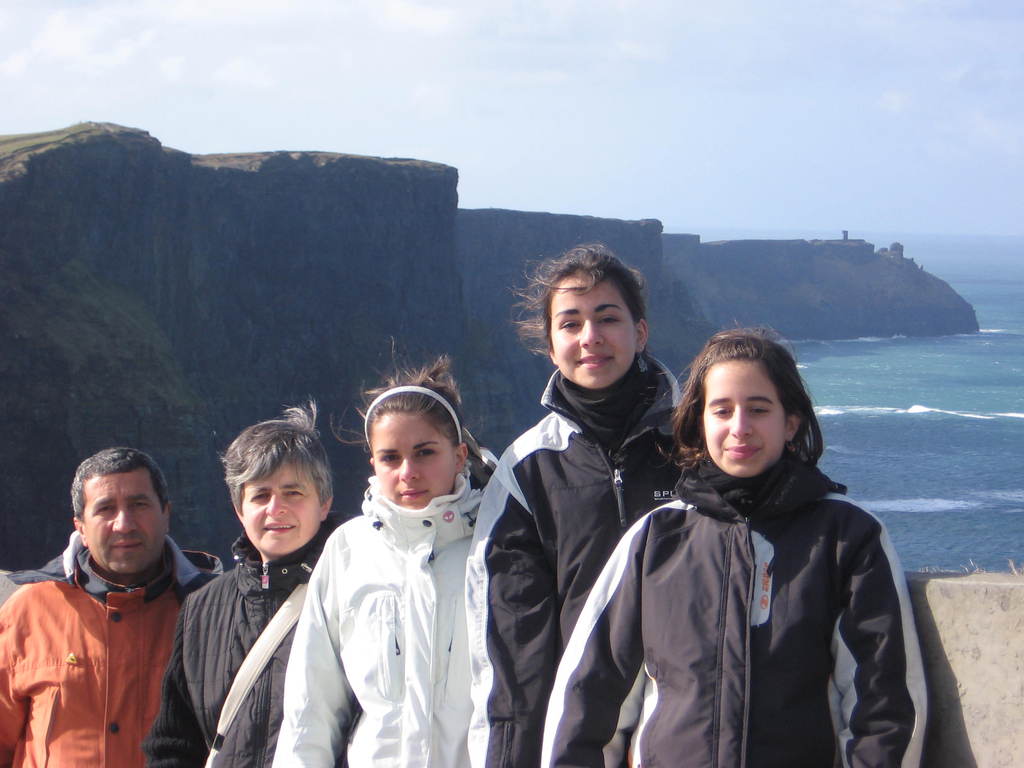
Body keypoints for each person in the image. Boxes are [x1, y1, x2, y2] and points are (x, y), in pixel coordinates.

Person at [542, 328, 928, 768]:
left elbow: (883, 705)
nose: (739, 428)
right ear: (699, 423)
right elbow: (590, 697)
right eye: (721, 410)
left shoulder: (846, 537)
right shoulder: (655, 539)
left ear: (791, 423)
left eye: (758, 409)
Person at [466, 244, 680, 768]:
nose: (590, 338)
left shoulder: (697, 448)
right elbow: (512, 651)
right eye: (570, 323)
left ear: (641, 332)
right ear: (550, 343)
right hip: (582, 736)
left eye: (608, 318)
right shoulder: (528, 471)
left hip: (687, 726)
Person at [274, 356, 493, 767]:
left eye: (425, 452)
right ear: (373, 463)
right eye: (390, 457)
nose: (407, 471)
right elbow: (311, 704)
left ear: (460, 456)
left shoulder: (495, 545)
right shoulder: (348, 550)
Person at [144, 402, 347, 767]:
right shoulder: (202, 608)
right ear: (239, 510)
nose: (275, 508)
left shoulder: (358, 592)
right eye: (260, 495)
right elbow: (175, 742)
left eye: (293, 492)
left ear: (324, 503)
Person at [0, 447, 221, 768]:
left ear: (166, 513)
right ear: (81, 527)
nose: (124, 524)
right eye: (105, 508)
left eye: (139, 505)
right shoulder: (28, 610)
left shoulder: (209, 612)